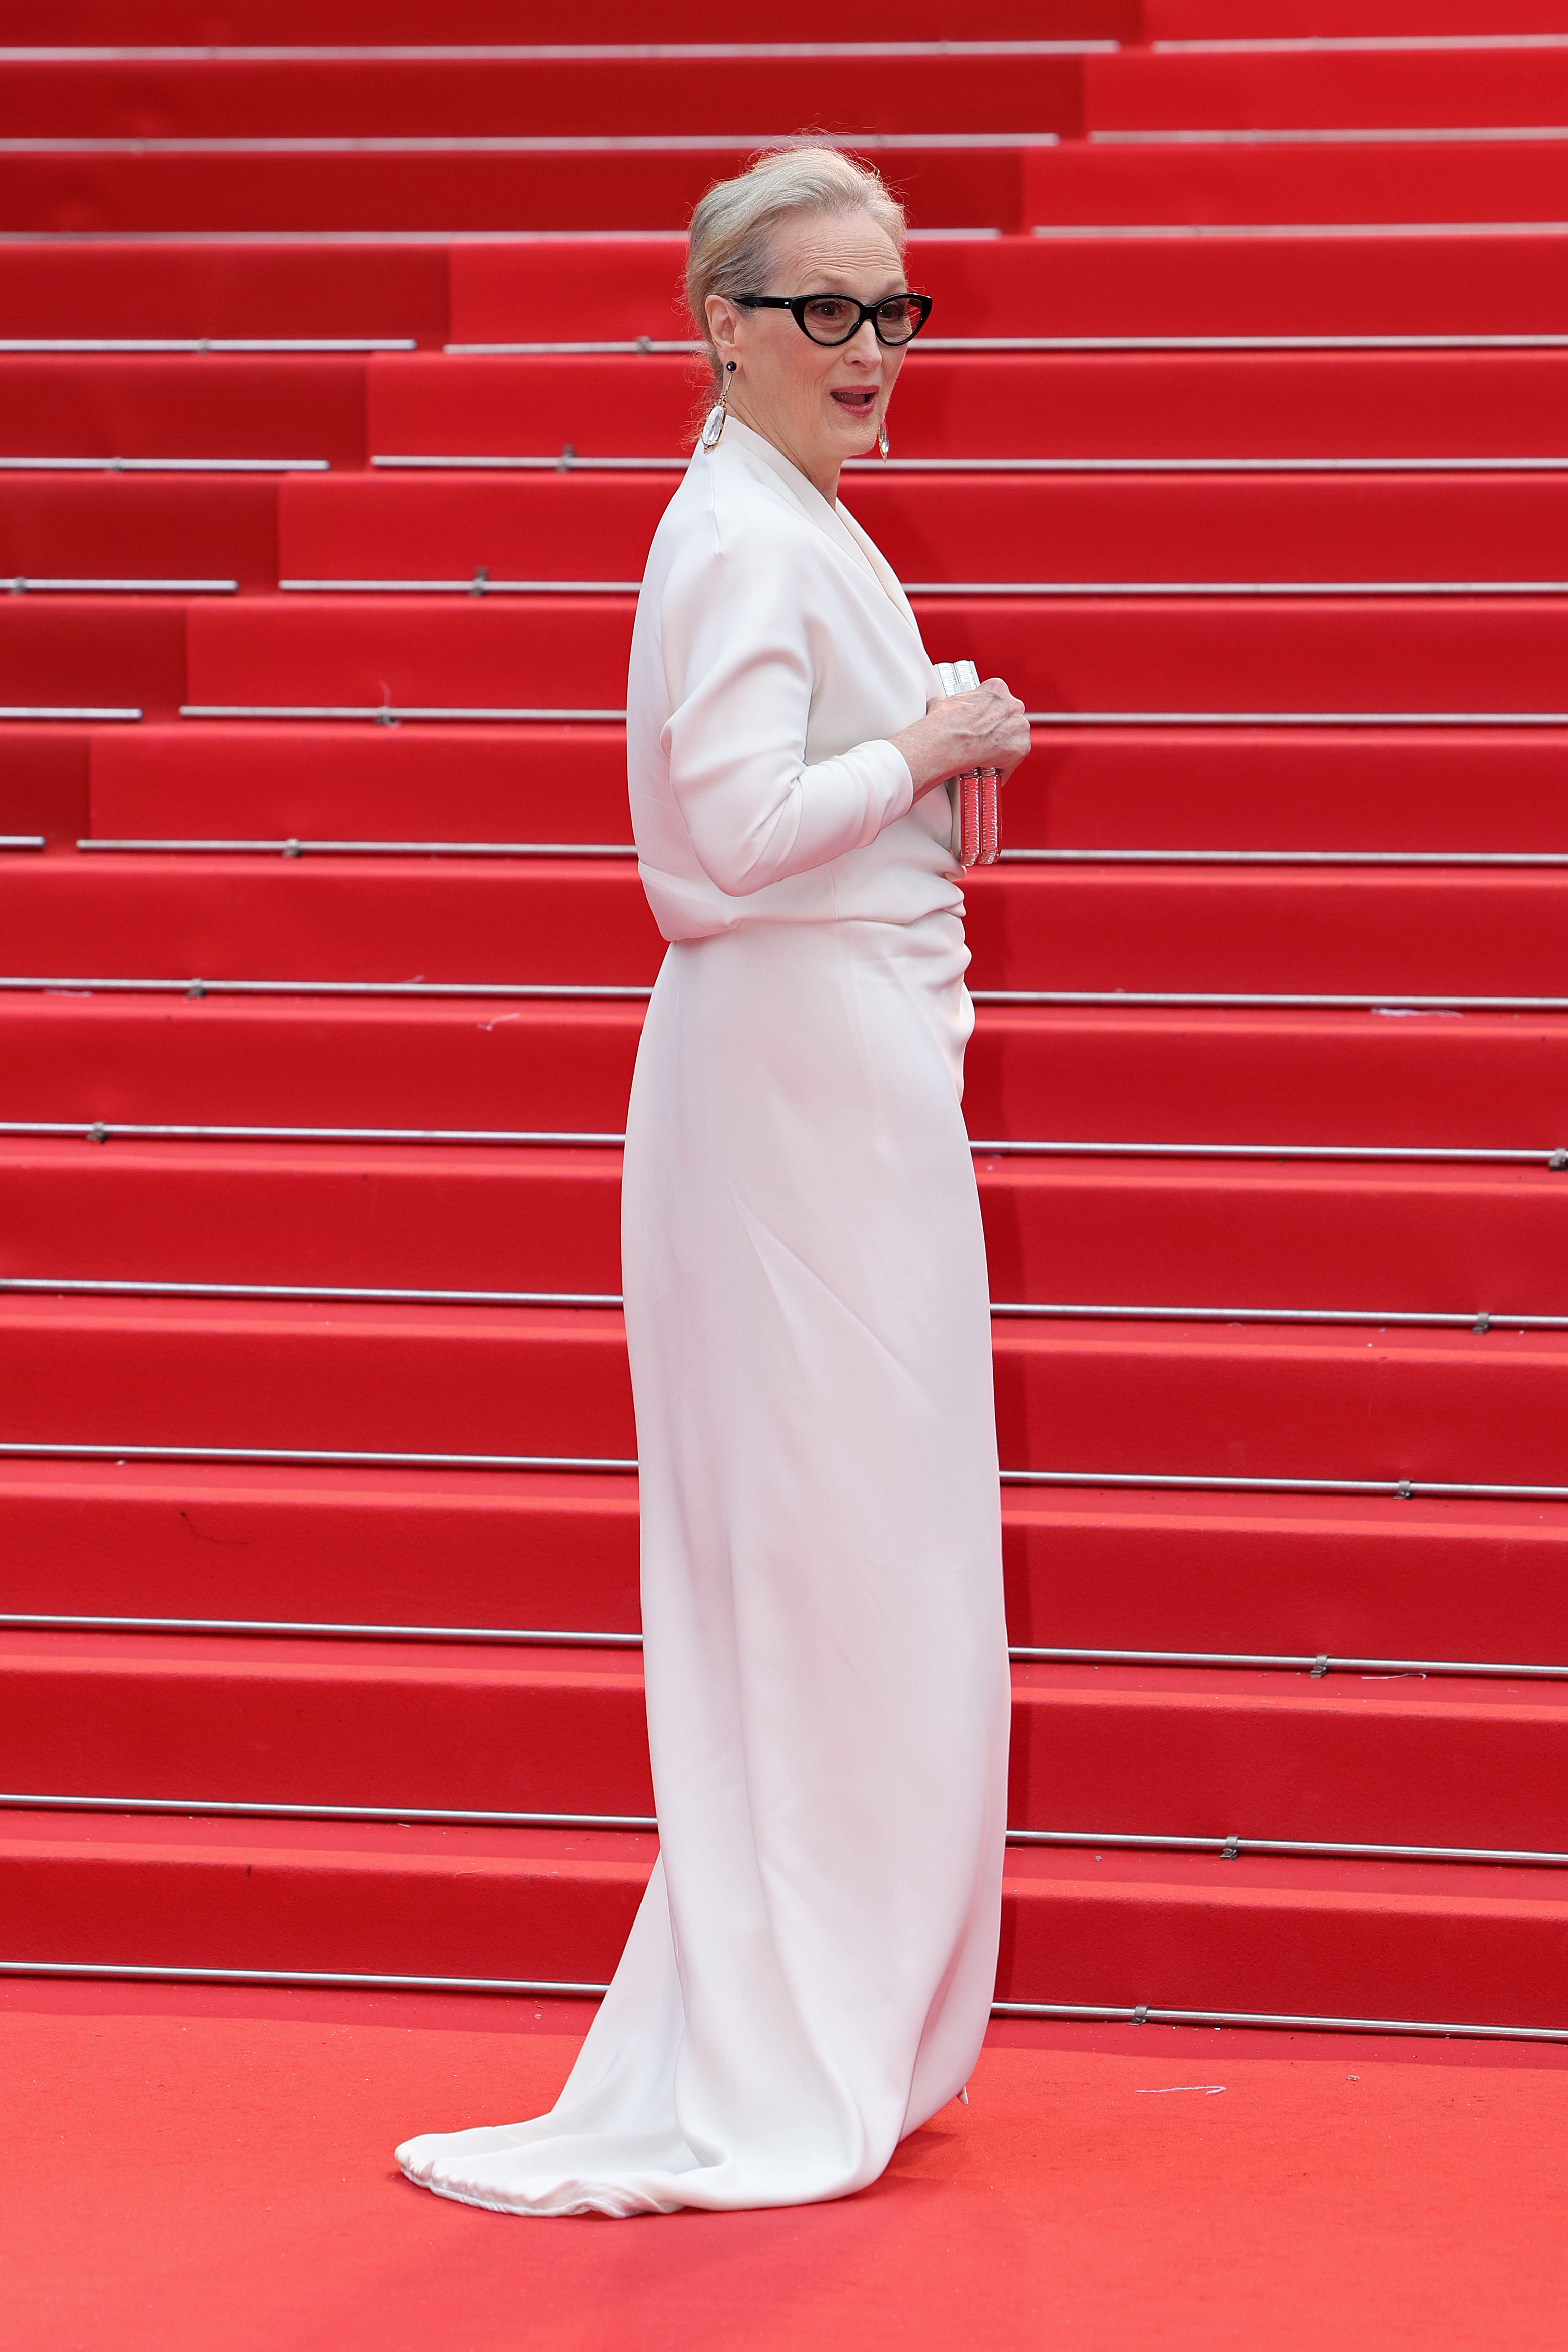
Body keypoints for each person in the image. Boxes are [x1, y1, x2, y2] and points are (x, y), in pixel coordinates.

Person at [396, 145, 1033, 2218]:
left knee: (863, 1557)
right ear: (722, 325)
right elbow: (708, 854)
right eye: (826, 314)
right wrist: (932, 747)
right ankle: (794, 2035)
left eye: (892, 312)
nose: (870, 355)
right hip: (783, 1113)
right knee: (823, 1567)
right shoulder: (741, 540)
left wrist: (925, 772)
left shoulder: (779, 516)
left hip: (820, 1090)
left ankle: (822, 2014)